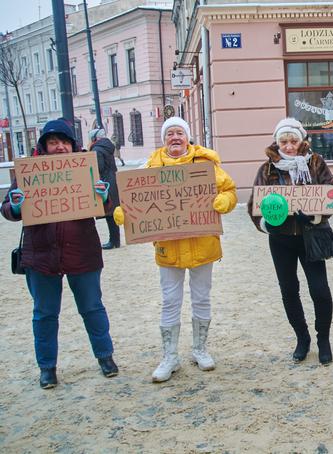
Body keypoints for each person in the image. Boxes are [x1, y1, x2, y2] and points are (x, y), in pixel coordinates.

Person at [113, 117, 237, 382]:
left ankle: (200, 349)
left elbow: (229, 190)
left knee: (201, 297)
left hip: (203, 243)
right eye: (170, 133)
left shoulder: (206, 165)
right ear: (164, 139)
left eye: (180, 132)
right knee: (170, 300)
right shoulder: (150, 166)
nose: (175, 137)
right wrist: (125, 213)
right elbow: (135, 198)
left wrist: (224, 200)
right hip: (168, 246)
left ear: (188, 136)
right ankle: (170, 356)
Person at [1, 119, 119, 389]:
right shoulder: (29, 172)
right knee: (44, 313)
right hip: (41, 256)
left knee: (92, 307)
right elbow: (8, 209)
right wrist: (16, 206)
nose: (60, 147)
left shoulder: (84, 169)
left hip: (82, 252)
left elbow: (104, 207)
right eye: (53, 142)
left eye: (64, 142)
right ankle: (47, 368)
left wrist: (103, 197)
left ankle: (105, 357)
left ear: (72, 145)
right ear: (44, 146)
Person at [247, 118, 333, 365]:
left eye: (293, 141)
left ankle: (324, 339)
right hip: (281, 239)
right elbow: (254, 205)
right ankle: (302, 337)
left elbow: (331, 193)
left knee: (319, 290)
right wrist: (268, 222)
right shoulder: (267, 169)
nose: (289, 146)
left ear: (302, 141)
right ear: (277, 142)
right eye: (283, 141)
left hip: (312, 235)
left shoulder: (316, 163)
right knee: (289, 290)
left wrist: (316, 212)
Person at [89, 128, 121, 249]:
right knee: (112, 213)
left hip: (105, 182)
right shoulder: (108, 147)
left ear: (94, 139)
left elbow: (99, 168)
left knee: (109, 213)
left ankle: (113, 241)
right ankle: (115, 240)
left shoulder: (97, 150)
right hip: (113, 180)